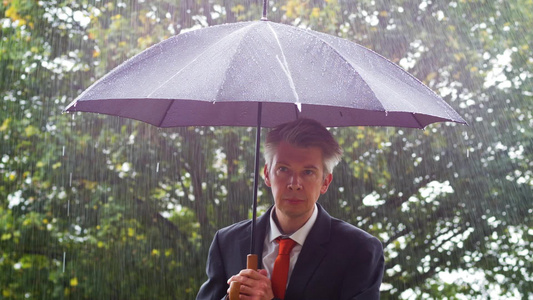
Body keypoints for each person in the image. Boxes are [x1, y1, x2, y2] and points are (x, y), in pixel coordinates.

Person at [196, 118, 384, 300]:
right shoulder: (228, 241)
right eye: (284, 169)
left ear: (325, 182)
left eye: (308, 172)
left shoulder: (359, 249)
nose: (294, 184)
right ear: (267, 174)